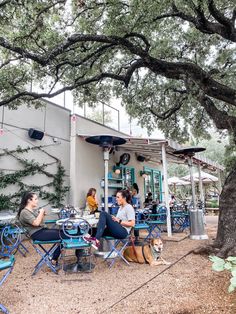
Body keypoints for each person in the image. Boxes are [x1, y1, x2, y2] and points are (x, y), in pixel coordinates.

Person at [18, 191, 81, 265]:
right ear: (29, 200)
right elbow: (36, 223)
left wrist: (41, 215)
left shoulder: (30, 210)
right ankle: (55, 258)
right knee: (65, 235)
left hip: (42, 231)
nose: (37, 201)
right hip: (37, 234)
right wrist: (41, 213)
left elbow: (39, 223)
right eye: (35, 199)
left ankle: (55, 257)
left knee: (66, 232)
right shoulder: (24, 212)